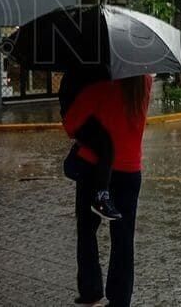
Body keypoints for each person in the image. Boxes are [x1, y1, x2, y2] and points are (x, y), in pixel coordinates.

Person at [61, 74, 153, 307]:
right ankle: (120, 300)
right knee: (124, 239)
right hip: (130, 170)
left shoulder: (99, 85)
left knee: (87, 230)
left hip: (94, 169)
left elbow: (71, 123)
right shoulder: (144, 83)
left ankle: (90, 290)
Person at [58, 67, 122, 220]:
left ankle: (100, 195)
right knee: (106, 146)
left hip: (81, 115)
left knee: (105, 146)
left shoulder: (85, 68)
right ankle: (101, 196)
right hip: (80, 116)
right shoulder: (85, 71)